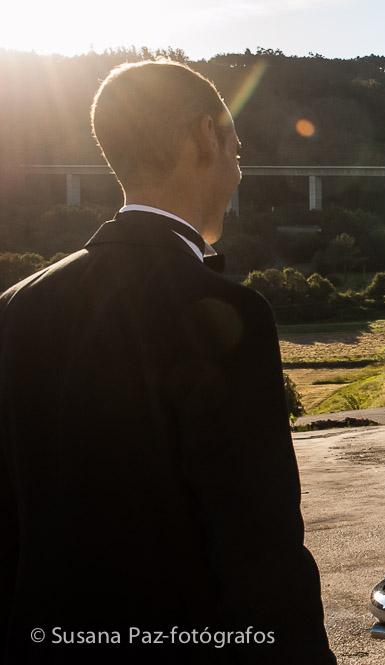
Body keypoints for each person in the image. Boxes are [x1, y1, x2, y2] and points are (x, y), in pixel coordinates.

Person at [0, 61, 336, 664]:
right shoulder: (223, 311)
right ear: (205, 137)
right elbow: (258, 545)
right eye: (237, 147)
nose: (238, 168)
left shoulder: (15, 308)